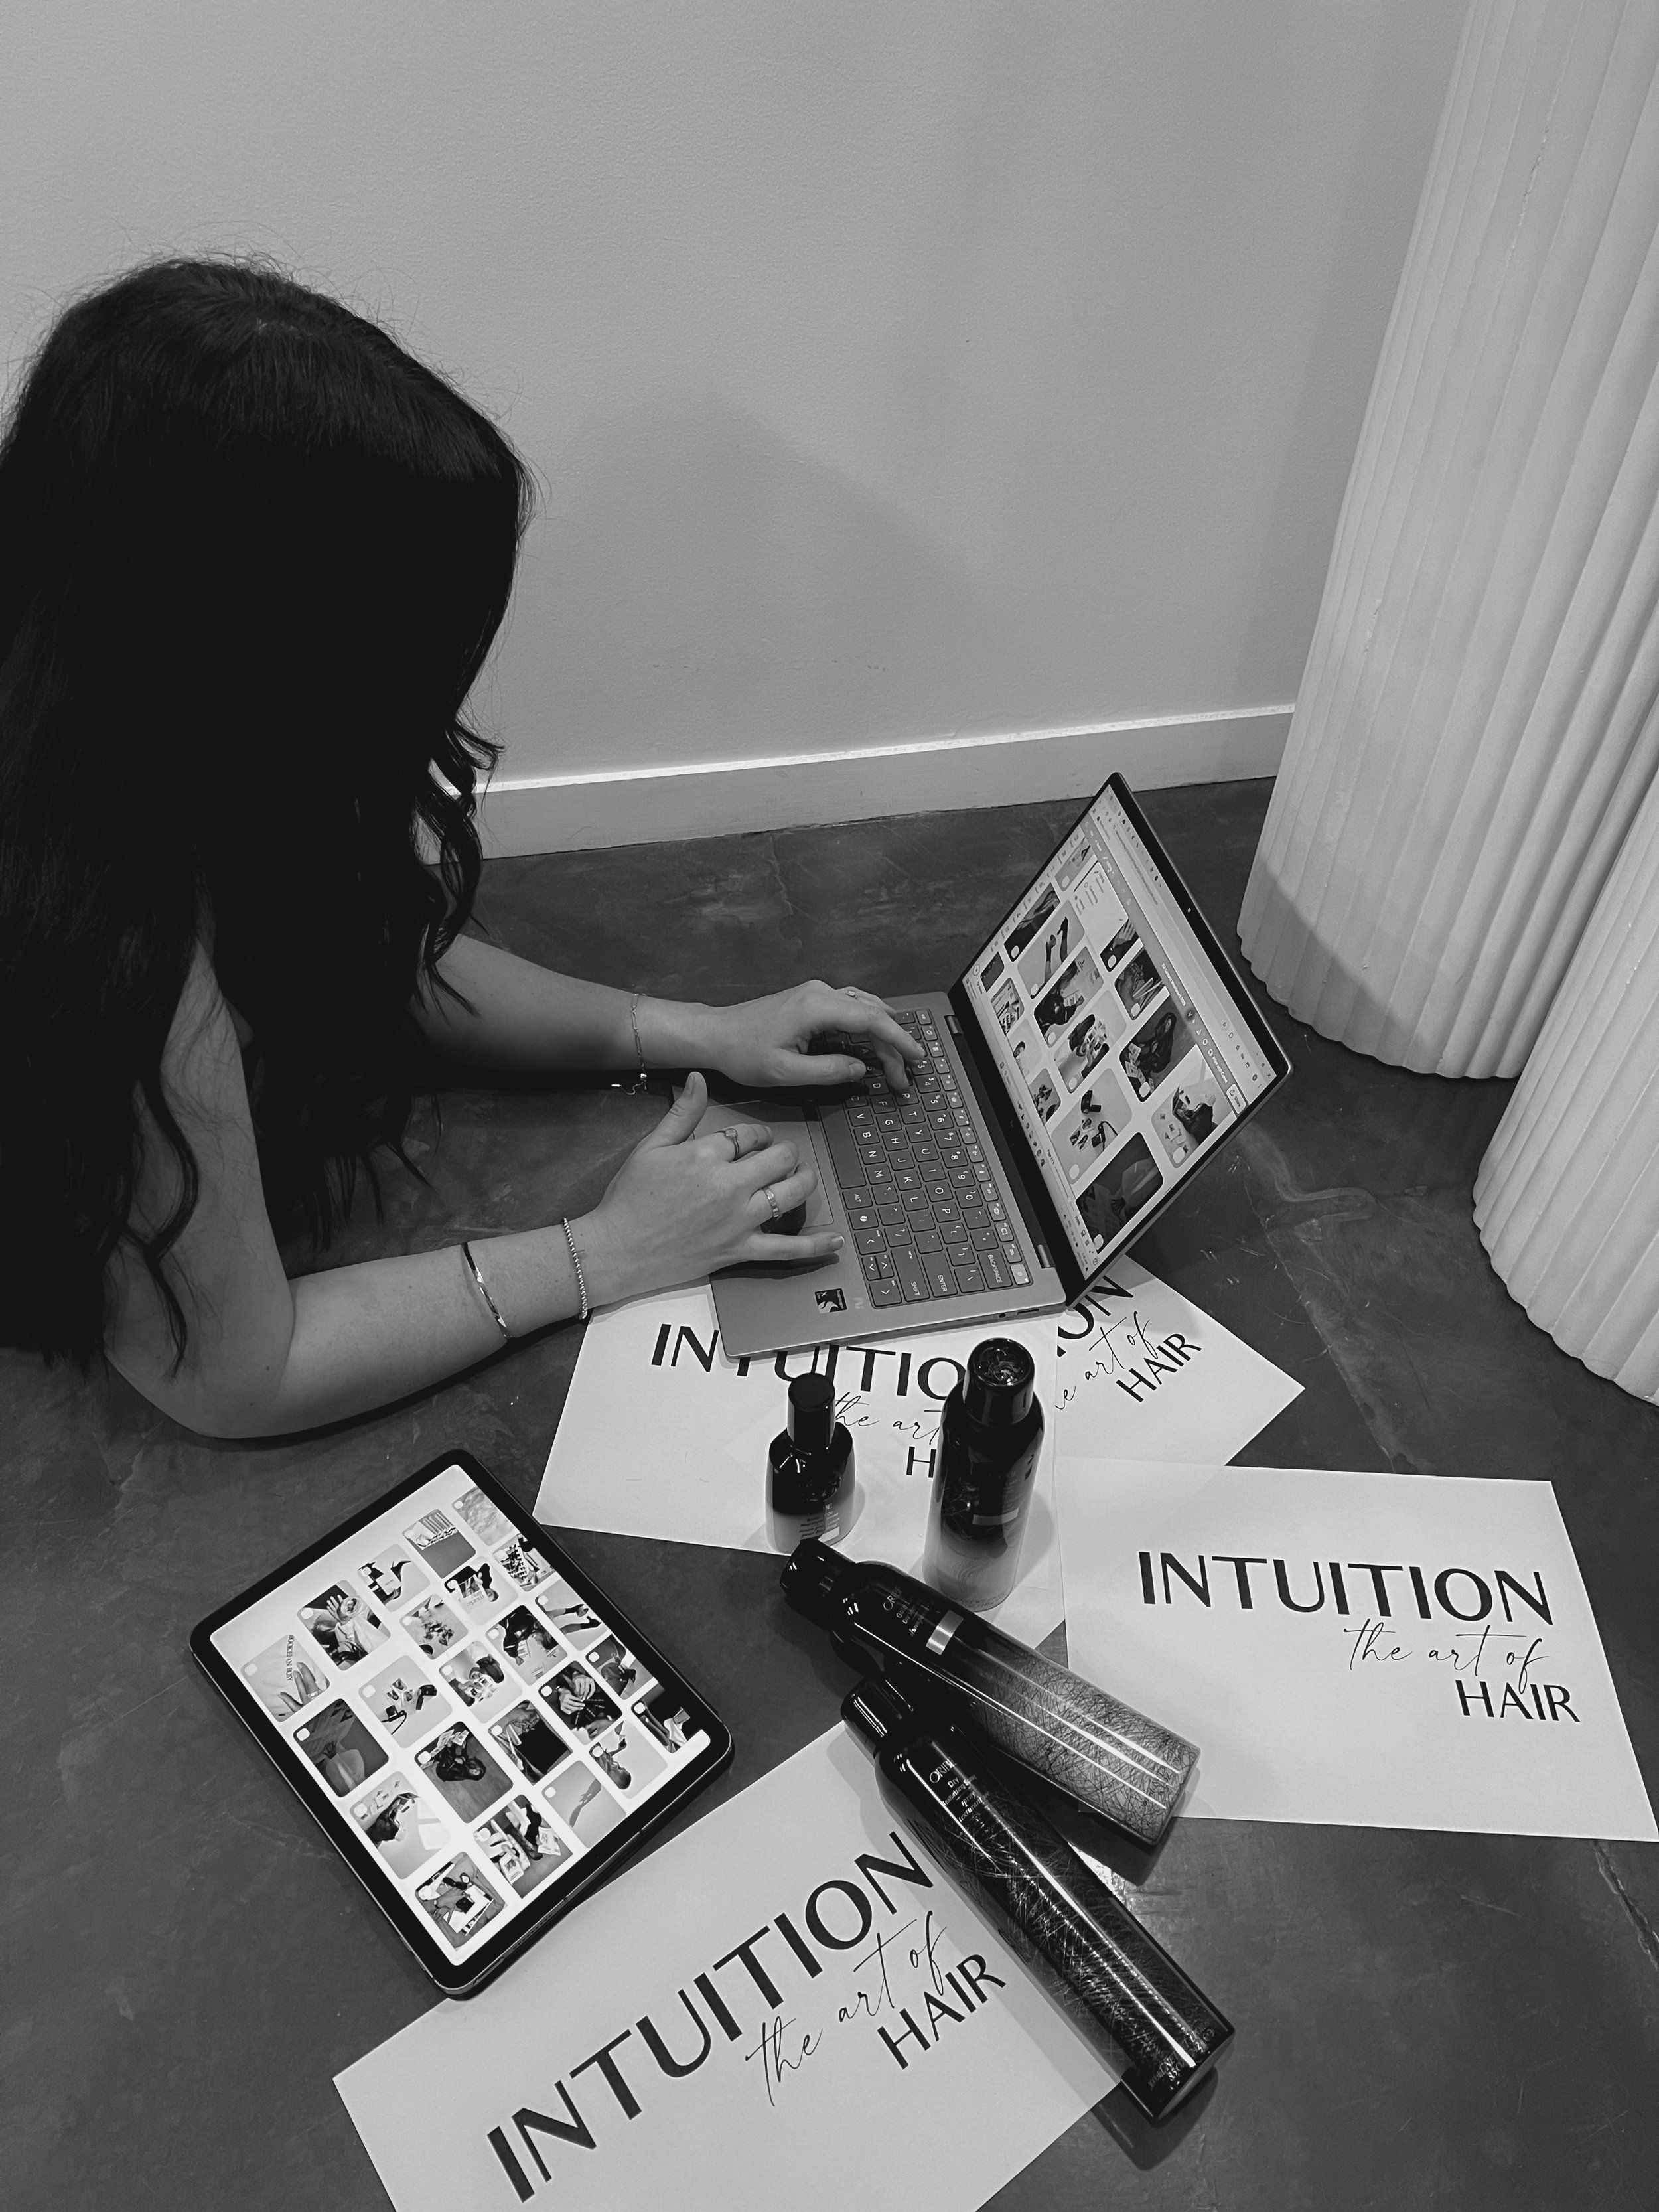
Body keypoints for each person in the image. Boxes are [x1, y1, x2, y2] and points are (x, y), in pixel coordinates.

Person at [0, 258, 925, 1440]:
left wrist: (694, 1025)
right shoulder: (99, 941)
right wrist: (600, 1252)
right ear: (251, 642)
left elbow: (356, 945)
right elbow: (240, 1374)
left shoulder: (127, 726)